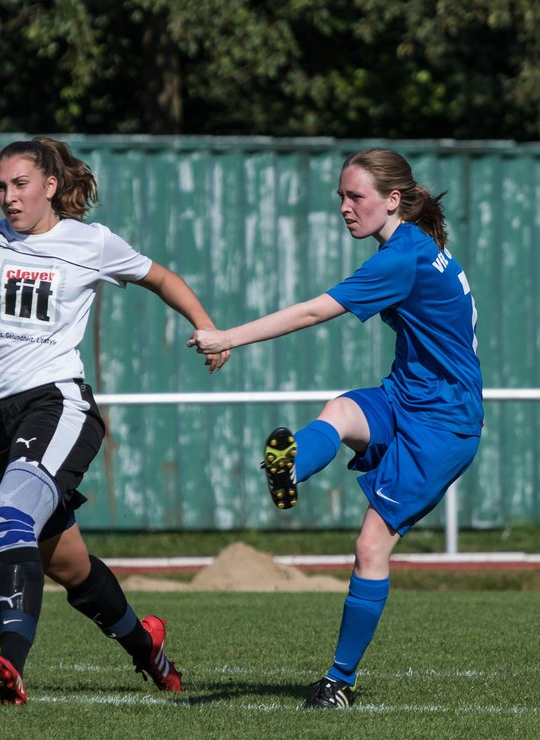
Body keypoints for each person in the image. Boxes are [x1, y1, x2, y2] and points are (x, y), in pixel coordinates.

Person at [0, 136, 229, 705]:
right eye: (0, 185)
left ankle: (10, 666)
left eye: (20, 185)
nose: (9, 197)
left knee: (11, 518)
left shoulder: (90, 243)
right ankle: (151, 652)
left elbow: (159, 277)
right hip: (0, 416)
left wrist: (209, 327)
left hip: (59, 404)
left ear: (51, 186)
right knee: (70, 567)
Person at [189, 148, 482, 709]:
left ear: (393, 200)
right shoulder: (417, 246)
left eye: (357, 197)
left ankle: (338, 682)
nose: (345, 208)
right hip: (410, 395)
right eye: (341, 198)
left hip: (443, 422)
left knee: (370, 546)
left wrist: (226, 337)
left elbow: (310, 313)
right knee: (341, 411)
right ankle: (291, 466)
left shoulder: (402, 258)